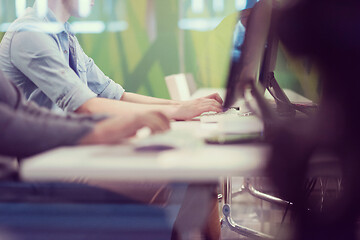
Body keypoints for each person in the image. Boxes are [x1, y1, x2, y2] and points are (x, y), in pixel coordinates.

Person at [0, 0, 223, 121]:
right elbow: (86, 107)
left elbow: (115, 95)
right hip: (37, 169)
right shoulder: (30, 33)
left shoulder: (64, 34)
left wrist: (182, 106)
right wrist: (173, 113)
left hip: (61, 155)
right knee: (171, 181)